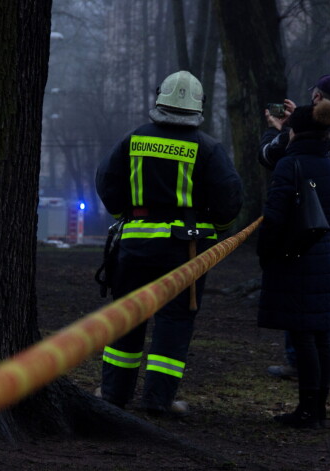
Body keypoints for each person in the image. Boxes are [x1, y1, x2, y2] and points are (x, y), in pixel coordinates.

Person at [94, 71, 243, 416]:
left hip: (134, 247)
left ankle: (114, 395)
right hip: (184, 252)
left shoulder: (133, 140)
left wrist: (124, 213)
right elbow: (229, 198)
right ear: (198, 105)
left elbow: (106, 179)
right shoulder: (207, 149)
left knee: (128, 317)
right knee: (174, 323)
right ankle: (158, 401)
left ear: (159, 98)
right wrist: (217, 228)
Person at [259, 75, 330, 381]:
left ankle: (298, 360)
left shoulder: (307, 141)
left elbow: (277, 157)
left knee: (300, 293)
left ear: (317, 97)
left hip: (304, 225)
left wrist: (284, 129)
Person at [257, 100, 330, 428]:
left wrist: (264, 252)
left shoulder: (290, 165)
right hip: (322, 255)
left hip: (296, 257)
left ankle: (306, 410)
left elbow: (275, 217)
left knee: (303, 335)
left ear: (295, 132)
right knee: (320, 334)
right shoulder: (326, 163)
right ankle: (318, 407)